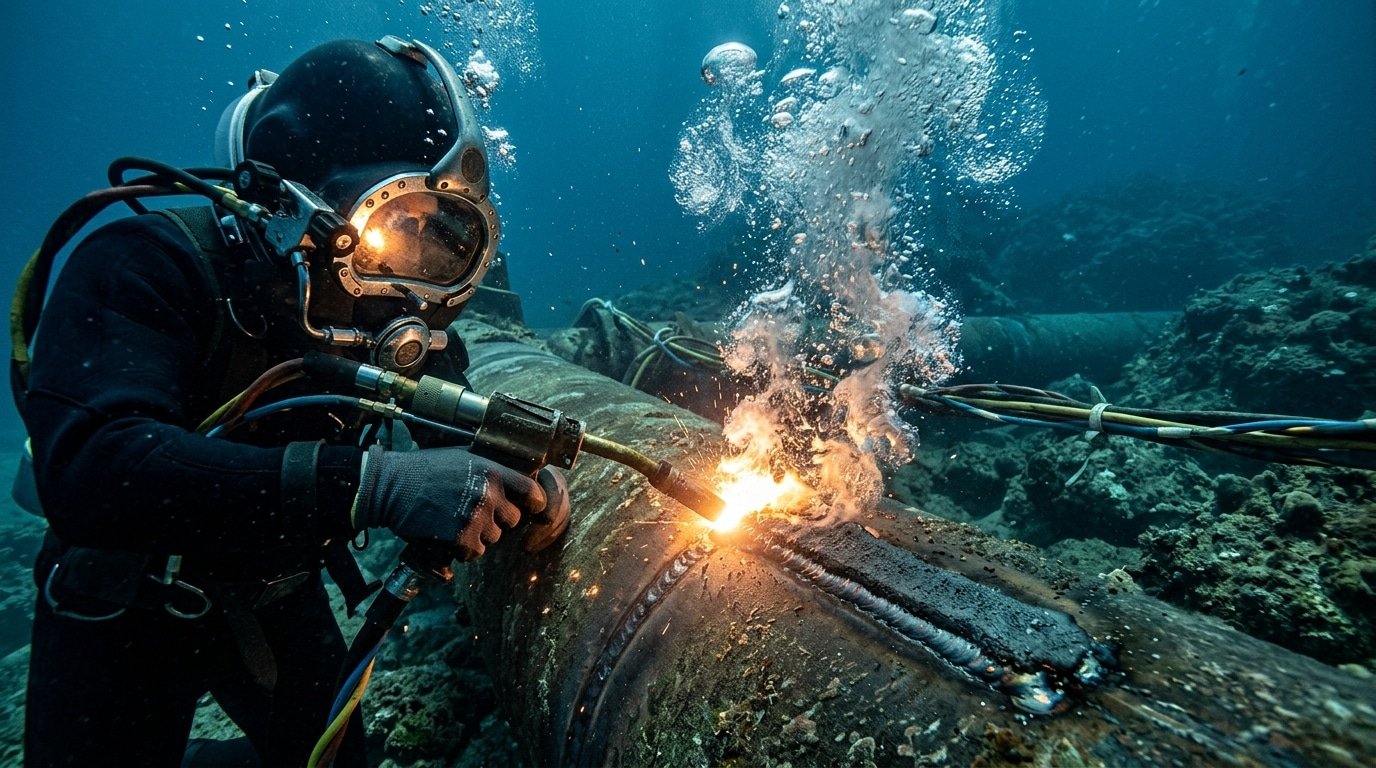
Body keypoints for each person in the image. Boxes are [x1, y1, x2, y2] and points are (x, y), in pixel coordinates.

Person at [17, 36, 568, 766]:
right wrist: (374, 483)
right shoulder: (142, 262)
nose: (414, 283)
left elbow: (437, 391)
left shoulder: (377, 308)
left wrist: (498, 457)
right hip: (122, 604)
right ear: (295, 201)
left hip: (278, 594)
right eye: (391, 230)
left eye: (443, 242)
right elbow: (92, 465)